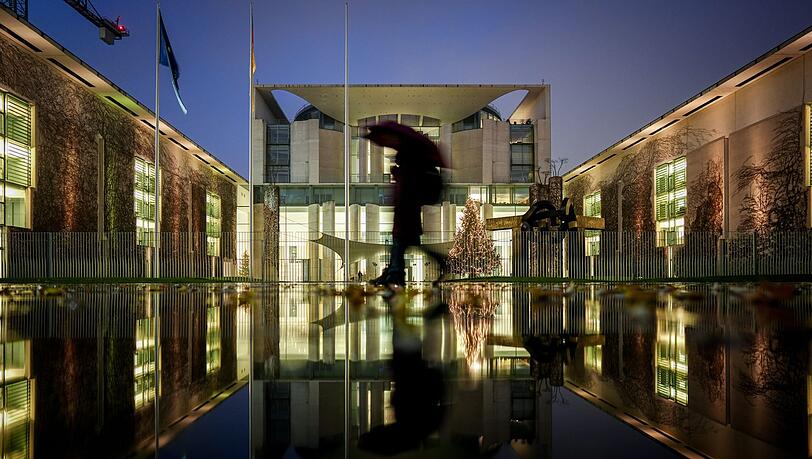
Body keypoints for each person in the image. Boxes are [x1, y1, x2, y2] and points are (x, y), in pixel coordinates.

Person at [363, 122, 444, 287]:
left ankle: (395, 274)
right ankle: (394, 272)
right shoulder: (408, 157)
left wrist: (398, 173)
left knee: (399, 243)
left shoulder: (412, 158)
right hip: (405, 210)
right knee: (402, 244)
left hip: (407, 211)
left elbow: (410, 187)